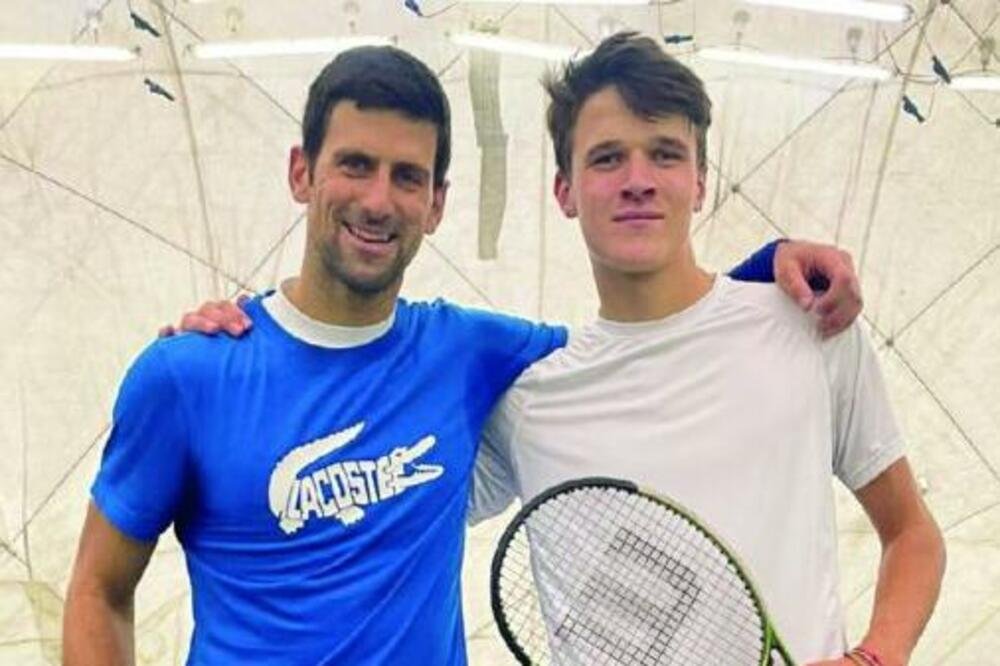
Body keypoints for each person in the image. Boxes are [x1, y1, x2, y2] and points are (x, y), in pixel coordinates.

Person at [63, 44, 863, 665]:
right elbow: (99, 588)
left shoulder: (472, 354)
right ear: (302, 173)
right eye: (355, 165)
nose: (379, 200)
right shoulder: (186, 375)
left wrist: (769, 267)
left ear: (437, 204)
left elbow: (643, 340)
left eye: (408, 177)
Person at [467, 33, 945, 666]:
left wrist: (876, 657)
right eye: (607, 159)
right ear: (565, 191)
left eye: (665, 154)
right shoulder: (525, 402)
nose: (638, 181)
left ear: (700, 182)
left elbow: (912, 533)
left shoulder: (811, 325)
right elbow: (390, 523)